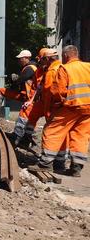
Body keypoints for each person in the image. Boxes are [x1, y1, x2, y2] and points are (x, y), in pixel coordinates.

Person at [34, 45, 90, 177]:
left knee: (52, 131)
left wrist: (57, 105)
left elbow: (57, 91)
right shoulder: (88, 66)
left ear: (66, 56)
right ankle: (76, 168)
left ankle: (45, 164)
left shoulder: (64, 68)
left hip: (70, 106)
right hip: (88, 108)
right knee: (80, 136)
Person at [0, 50, 38, 115]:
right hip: (22, 94)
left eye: (21, 58)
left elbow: (20, 80)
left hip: (29, 96)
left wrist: (15, 78)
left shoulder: (31, 68)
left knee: (24, 118)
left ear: (27, 58)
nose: (19, 60)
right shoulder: (26, 68)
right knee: (0, 91)